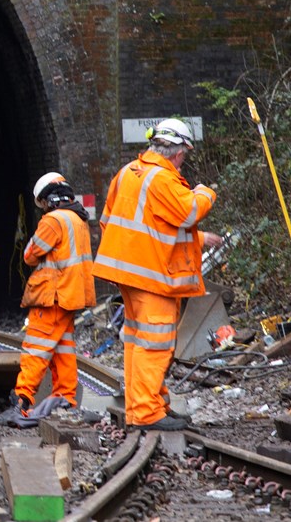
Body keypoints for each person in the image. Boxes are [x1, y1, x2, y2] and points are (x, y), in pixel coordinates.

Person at [94, 118, 223, 431]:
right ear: (178, 153)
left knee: (138, 341)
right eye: (184, 156)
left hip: (129, 276)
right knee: (156, 344)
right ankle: (146, 412)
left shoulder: (128, 173)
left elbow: (114, 221)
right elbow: (190, 210)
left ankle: (151, 402)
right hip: (153, 278)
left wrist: (198, 238)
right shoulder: (163, 179)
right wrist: (206, 191)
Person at [0, 172, 96, 421]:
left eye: (41, 204)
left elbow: (30, 254)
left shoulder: (53, 221)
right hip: (71, 296)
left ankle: (22, 399)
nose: (42, 209)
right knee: (63, 351)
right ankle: (66, 399)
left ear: (47, 199)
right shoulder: (79, 219)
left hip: (52, 296)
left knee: (36, 349)